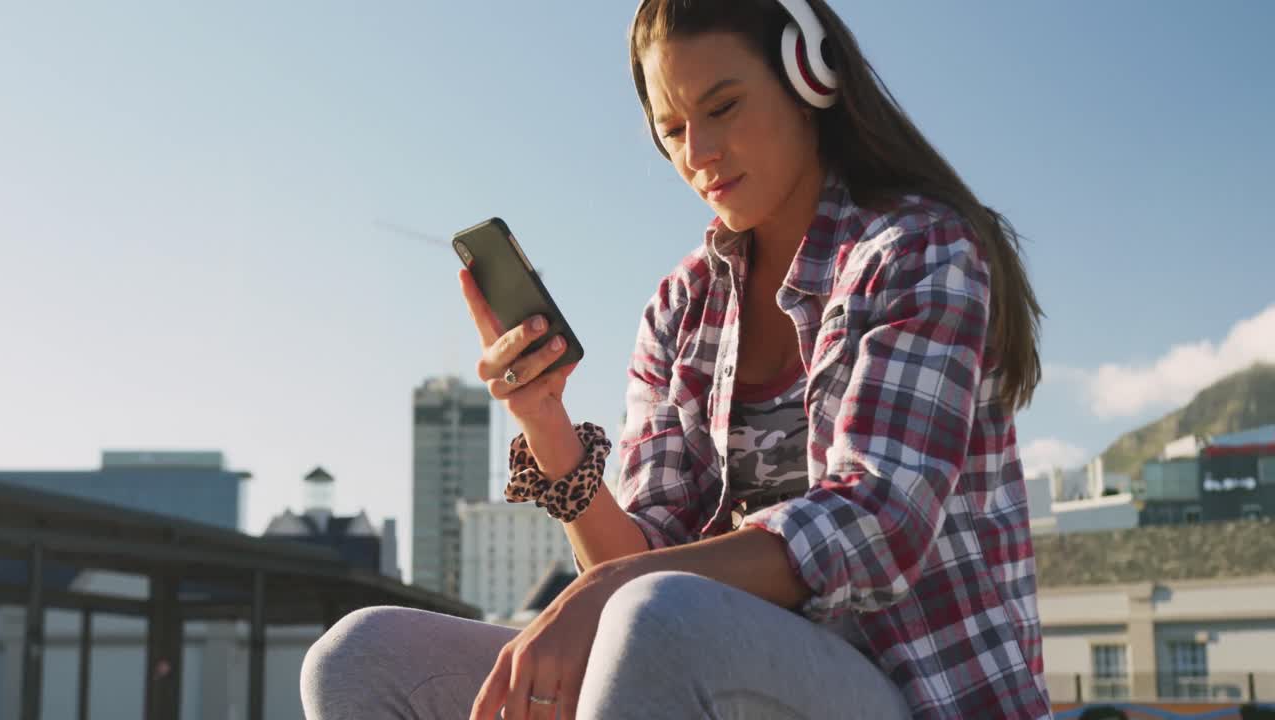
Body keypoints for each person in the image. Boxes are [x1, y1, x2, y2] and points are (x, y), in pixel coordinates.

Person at [300, 0, 1053, 718]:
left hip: (920, 693)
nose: (699, 154)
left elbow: (878, 521)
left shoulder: (918, 250)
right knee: (358, 656)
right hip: (709, 671)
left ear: (809, 80)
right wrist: (545, 422)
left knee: (656, 611)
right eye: (672, 128)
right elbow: (645, 548)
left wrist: (621, 589)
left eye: (723, 107)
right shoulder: (681, 306)